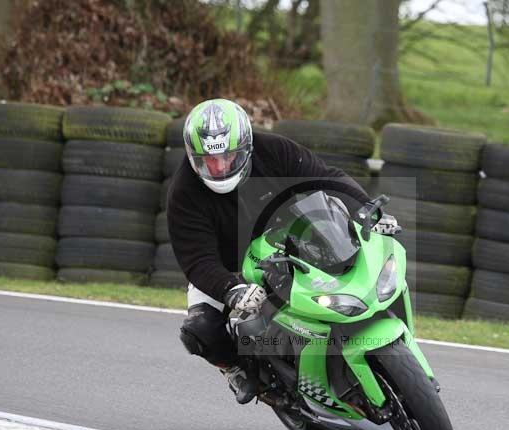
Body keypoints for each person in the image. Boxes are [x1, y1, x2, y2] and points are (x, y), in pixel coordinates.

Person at [167, 98, 399, 404]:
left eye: (228, 157)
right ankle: (234, 367)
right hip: (227, 266)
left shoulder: (275, 150)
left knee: (347, 263)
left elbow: (327, 177)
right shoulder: (183, 193)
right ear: (193, 156)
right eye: (209, 160)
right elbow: (197, 260)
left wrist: (368, 210)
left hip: (286, 236)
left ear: (246, 146)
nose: (220, 167)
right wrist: (230, 289)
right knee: (201, 329)